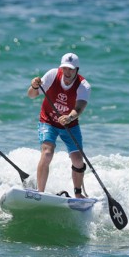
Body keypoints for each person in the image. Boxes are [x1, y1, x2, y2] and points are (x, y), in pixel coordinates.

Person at [27, 53, 91, 198]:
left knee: (78, 160)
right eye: (65, 69)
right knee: (47, 153)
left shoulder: (83, 86)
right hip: (48, 120)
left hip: (70, 125)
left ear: (77, 69)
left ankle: (78, 193)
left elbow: (80, 108)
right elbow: (31, 95)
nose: (67, 72)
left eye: (71, 69)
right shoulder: (52, 75)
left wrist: (69, 117)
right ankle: (40, 193)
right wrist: (33, 86)